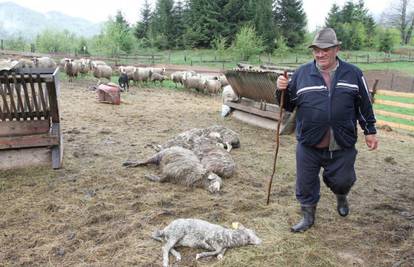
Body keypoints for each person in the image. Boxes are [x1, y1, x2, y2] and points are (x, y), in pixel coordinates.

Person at [276, 28, 378, 233]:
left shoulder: (354, 74)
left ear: (337, 49)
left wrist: (370, 130)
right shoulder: (302, 74)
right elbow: (287, 105)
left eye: (325, 49)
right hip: (309, 142)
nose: (320, 54)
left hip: (342, 141)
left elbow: (364, 104)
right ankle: (308, 216)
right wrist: (281, 89)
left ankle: (341, 195)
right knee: (305, 183)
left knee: (342, 180)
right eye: (316, 50)